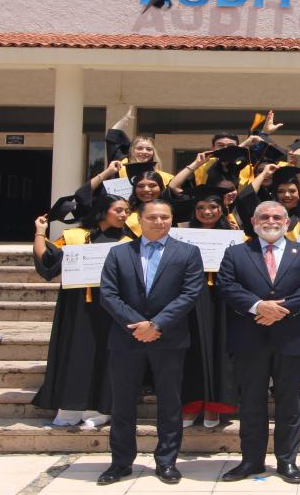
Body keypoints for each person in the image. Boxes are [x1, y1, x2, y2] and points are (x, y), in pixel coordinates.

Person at [96, 198, 204, 486]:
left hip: (169, 338)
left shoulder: (188, 252)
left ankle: (166, 462)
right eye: (153, 217)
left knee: (170, 402)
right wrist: (138, 325)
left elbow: (190, 293)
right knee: (122, 403)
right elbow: (108, 294)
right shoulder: (119, 253)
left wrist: (157, 325)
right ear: (139, 220)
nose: (159, 222)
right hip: (126, 338)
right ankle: (120, 463)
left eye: (165, 217)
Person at [217, 201, 300, 485]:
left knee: (290, 401)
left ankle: (287, 460)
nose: (271, 220)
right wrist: (258, 306)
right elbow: (227, 286)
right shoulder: (236, 253)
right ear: (253, 222)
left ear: (287, 222)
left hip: (293, 338)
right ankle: (251, 461)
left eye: (277, 216)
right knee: (251, 402)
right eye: (264, 216)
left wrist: (281, 309)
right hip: (249, 338)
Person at [31, 194, 132, 428]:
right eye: (118, 210)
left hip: (111, 306)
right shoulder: (75, 237)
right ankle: (69, 408)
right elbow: (47, 262)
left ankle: (99, 409)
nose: (124, 215)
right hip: (76, 305)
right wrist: (40, 232)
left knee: (105, 355)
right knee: (74, 352)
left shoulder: (128, 241)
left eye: (126, 211)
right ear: (102, 211)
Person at [179, 186, 239, 428]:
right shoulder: (183, 236)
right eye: (201, 207)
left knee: (220, 349)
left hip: (223, 299)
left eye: (213, 207)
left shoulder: (234, 236)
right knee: (193, 349)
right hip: (192, 296)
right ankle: (192, 404)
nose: (207, 211)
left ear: (222, 209)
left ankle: (215, 406)